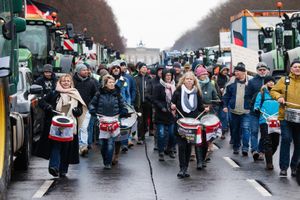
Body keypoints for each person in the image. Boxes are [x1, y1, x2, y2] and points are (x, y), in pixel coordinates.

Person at [35, 74, 87, 177]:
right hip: (56, 124)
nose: (66, 83)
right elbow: (41, 102)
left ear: (71, 83)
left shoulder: (75, 94)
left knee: (67, 147)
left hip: (70, 124)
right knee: (56, 145)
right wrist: (48, 106)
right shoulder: (54, 93)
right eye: (63, 81)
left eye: (68, 81)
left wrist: (77, 111)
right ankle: (54, 167)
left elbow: (81, 109)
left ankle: (63, 169)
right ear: (60, 82)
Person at [171, 72, 208, 178]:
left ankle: (185, 168)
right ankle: (182, 168)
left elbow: (200, 107)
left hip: (193, 124)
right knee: (182, 146)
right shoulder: (178, 91)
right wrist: (172, 106)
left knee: (188, 146)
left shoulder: (197, 92)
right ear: (183, 80)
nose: (189, 81)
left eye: (191, 79)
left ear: (194, 81)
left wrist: (205, 109)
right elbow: (172, 103)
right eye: (187, 79)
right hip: (181, 123)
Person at [89, 75, 129, 169]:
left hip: (114, 121)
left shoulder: (117, 93)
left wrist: (124, 111)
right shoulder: (99, 93)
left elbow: (122, 104)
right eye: (110, 82)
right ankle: (105, 159)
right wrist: (93, 111)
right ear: (105, 84)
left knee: (111, 143)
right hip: (102, 121)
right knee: (103, 144)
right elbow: (92, 104)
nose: (112, 84)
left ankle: (108, 163)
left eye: (113, 82)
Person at [270, 60, 300, 177]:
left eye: (299, 67)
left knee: (298, 143)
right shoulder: (284, 80)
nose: (297, 68)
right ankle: (283, 168)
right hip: (286, 116)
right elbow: (274, 91)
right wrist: (279, 97)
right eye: (295, 67)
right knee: (286, 139)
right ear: (291, 69)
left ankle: (295, 167)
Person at [222, 62, 251, 155]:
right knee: (235, 129)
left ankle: (245, 148)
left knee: (246, 129)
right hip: (234, 111)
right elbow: (226, 96)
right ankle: (236, 146)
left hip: (246, 111)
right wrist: (225, 106)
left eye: (238, 71)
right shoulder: (232, 82)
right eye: (235, 71)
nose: (236, 73)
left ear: (243, 72)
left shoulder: (250, 82)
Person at [195, 66, 220, 168]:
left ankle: (203, 158)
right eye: (202, 74)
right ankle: (199, 161)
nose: (205, 76)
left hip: (208, 116)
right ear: (198, 76)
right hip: (197, 115)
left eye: (206, 74)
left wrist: (213, 104)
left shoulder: (211, 85)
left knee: (206, 138)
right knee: (198, 138)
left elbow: (216, 99)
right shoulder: (195, 86)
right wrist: (201, 107)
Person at [253, 76, 279, 170]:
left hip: (276, 120)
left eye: (273, 81)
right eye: (269, 82)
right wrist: (256, 109)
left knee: (275, 142)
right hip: (265, 120)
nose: (271, 83)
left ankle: (268, 155)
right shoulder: (262, 94)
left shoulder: (279, 93)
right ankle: (269, 163)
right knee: (267, 141)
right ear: (265, 83)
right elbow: (257, 104)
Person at [246, 62, 270, 161]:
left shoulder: (270, 81)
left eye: (264, 69)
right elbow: (247, 96)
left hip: (265, 112)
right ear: (257, 71)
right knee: (254, 131)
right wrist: (250, 106)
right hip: (254, 112)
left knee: (265, 133)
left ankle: (261, 151)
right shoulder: (252, 82)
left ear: (267, 70)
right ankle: (254, 150)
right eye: (260, 70)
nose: (262, 71)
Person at [73, 63, 98, 156]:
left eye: (87, 70)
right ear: (79, 71)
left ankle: (83, 146)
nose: (86, 71)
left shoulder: (91, 82)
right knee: (75, 128)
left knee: (84, 128)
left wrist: (91, 104)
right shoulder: (73, 81)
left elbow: (95, 95)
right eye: (84, 70)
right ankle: (75, 146)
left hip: (86, 108)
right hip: (74, 108)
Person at [152, 69, 176, 161]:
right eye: (167, 75)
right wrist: (161, 107)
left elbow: (177, 98)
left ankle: (169, 149)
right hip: (161, 113)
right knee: (161, 134)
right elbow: (154, 99)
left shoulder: (174, 87)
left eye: (170, 75)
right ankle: (161, 151)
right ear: (163, 76)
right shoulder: (158, 86)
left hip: (171, 114)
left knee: (172, 134)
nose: (168, 77)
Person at [134, 63, 152, 144]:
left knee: (145, 120)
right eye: (143, 67)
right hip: (139, 103)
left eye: (145, 67)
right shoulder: (136, 78)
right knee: (140, 120)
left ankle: (144, 134)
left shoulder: (149, 78)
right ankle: (140, 137)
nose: (145, 69)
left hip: (148, 103)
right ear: (139, 69)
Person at [215, 65, 230, 139]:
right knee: (217, 117)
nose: (225, 72)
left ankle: (223, 132)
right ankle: (217, 131)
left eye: (226, 70)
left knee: (224, 117)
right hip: (217, 100)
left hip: (225, 100)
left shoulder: (227, 78)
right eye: (224, 70)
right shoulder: (216, 78)